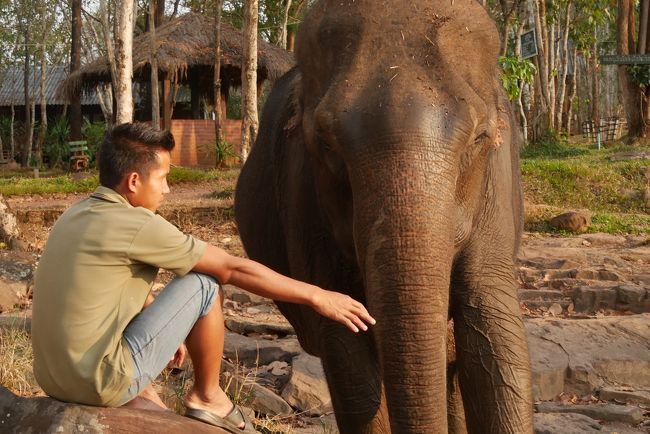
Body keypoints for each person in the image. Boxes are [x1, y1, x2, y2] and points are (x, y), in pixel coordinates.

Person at [31, 123, 375, 434]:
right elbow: (232, 269)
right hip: (99, 382)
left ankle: (143, 392)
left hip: (54, 379)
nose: (167, 190)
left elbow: (111, 287)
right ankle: (207, 396)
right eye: (163, 177)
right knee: (204, 283)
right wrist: (319, 296)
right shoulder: (137, 223)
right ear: (133, 181)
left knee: (177, 290)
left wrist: (165, 328)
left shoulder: (75, 214)